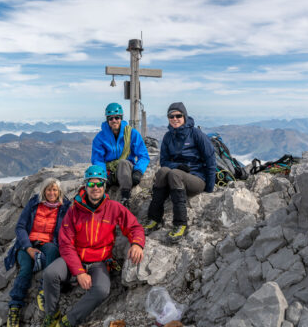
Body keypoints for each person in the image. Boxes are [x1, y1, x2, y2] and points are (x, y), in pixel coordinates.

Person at [40, 165, 145, 327]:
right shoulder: (74, 211)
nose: (95, 188)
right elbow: (66, 244)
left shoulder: (113, 208)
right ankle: (52, 315)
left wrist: (137, 243)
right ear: (85, 185)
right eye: (91, 184)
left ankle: (68, 321)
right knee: (50, 274)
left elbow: (134, 227)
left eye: (99, 184)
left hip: (100, 262)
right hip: (76, 259)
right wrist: (80, 272)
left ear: (105, 186)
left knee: (102, 290)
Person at [144, 102, 216, 241]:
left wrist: (210, 187)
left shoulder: (196, 134)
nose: (174, 118)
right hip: (176, 180)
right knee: (163, 171)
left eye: (178, 115)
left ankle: (180, 224)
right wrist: (177, 165)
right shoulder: (168, 137)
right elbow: (164, 162)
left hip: (197, 179)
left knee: (174, 173)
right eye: (171, 116)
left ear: (184, 116)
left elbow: (210, 159)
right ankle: (154, 219)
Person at [4, 178, 71, 327]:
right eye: (49, 190)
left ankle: (43, 291)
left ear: (59, 192)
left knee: (53, 250)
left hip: (48, 243)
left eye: (55, 190)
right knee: (26, 269)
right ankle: (14, 307)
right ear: (43, 191)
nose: (52, 193)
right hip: (27, 244)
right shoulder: (34, 204)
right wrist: (28, 248)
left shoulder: (64, 207)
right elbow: (20, 227)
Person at [91, 102, 150, 207]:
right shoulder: (100, 138)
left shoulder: (132, 133)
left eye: (117, 117)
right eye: (111, 118)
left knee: (123, 163)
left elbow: (144, 156)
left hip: (127, 171)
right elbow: (98, 159)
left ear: (121, 118)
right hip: (110, 173)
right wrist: (103, 175)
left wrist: (138, 171)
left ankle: (125, 197)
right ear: (107, 120)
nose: (114, 120)